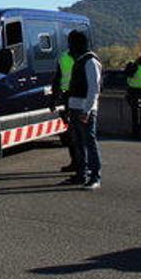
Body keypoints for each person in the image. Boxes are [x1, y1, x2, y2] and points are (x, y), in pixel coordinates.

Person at [63, 30, 103, 190]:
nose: (69, 47)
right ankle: (81, 174)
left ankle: (95, 177)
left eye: (71, 43)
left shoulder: (90, 62)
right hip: (75, 107)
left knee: (89, 143)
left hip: (85, 109)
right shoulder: (80, 60)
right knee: (78, 144)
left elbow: (94, 89)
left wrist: (87, 110)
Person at [50, 48, 79, 173]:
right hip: (73, 97)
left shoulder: (64, 58)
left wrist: (53, 99)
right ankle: (77, 163)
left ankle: (78, 164)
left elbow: (57, 79)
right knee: (73, 132)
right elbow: (57, 79)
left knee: (75, 133)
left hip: (71, 96)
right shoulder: (85, 57)